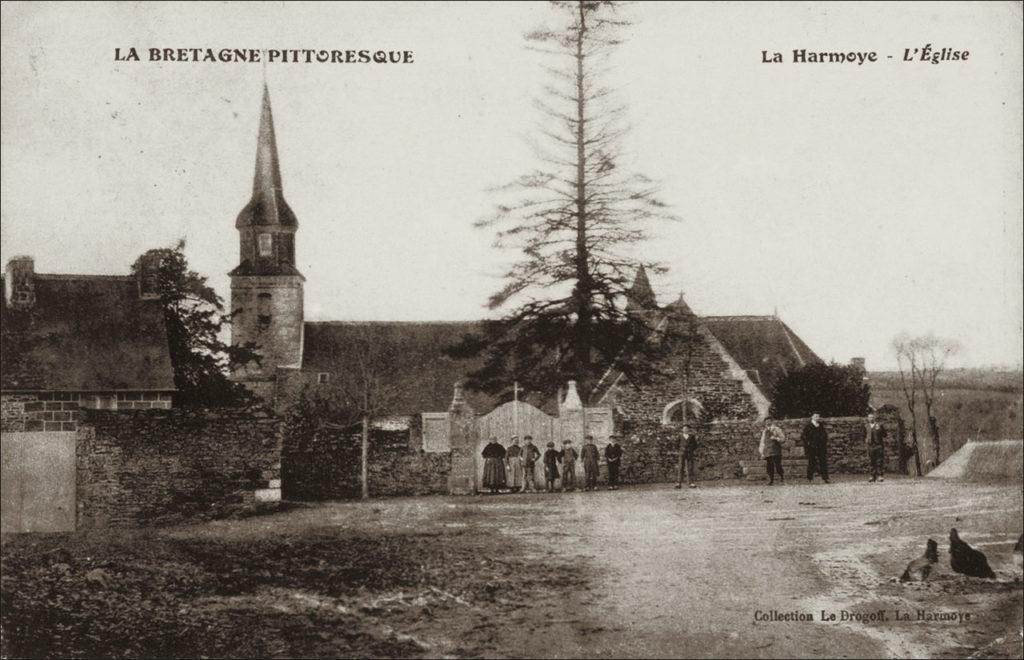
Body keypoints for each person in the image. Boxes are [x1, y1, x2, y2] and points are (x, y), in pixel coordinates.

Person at [801, 413, 830, 483]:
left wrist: (823, 442)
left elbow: (825, 435)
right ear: (812, 417)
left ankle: (825, 478)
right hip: (812, 447)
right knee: (811, 462)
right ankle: (809, 478)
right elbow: (803, 436)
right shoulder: (808, 426)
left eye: (818, 416)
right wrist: (809, 443)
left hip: (820, 447)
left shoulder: (821, 426)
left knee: (823, 462)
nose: (817, 418)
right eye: (816, 416)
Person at [759, 418, 786, 485]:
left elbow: (783, 439)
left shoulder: (777, 429)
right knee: (769, 466)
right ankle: (771, 481)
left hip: (776, 450)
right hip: (767, 451)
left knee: (778, 465)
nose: (768, 423)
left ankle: (781, 479)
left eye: (769, 421)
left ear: (772, 421)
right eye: (766, 422)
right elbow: (762, 442)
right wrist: (761, 452)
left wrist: (776, 438)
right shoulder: (764, 431)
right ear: (765, 423)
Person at [865, 413, 888, 482]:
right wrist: (866, 440)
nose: (871, 418)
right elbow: (864, 434)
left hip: (878, 446)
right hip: (870, 446)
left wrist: (880, 429)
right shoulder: (866, 426)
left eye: (872, 417)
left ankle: (880, 476)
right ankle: (872, 476)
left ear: (874, 418)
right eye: (869, 417)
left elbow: (885, 434)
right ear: (868, 418)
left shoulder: (879, 425)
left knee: (879, 461)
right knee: (871, 461)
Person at [675, 424, 699, 489]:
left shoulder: (692, 436)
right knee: (680, 468)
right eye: (684, 429)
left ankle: (691, 483)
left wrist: (690, 449)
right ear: (682, 430)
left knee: (690, 468)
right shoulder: (680, 436)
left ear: (689, 429)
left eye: (686, 428)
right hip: (682, 453)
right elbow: (676, 445)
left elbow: (695, 445)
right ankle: (678, 483)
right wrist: (681, 450)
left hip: (689, 454)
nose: (685, 430)